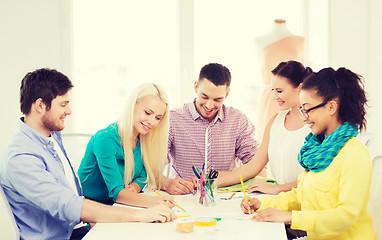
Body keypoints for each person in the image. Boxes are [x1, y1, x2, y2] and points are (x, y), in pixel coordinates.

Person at [0, 69, 175, 240]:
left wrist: (89, 218)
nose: (69, 111)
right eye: (63, 104)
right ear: (40, 105)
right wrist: (140, 215)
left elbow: (70, 194)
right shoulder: (21, 156)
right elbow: (67, 205)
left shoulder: (50, 137)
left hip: (77, 228)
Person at [240, 67, 375, 240]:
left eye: (307, 109)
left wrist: (290, 217)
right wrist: (262, 203)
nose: (304, 118)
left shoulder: (354, 153)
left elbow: (345, 216)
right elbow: (301, 195)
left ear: (331, 107)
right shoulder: (317, 150)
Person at [217, 61, 312, 195]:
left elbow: (317, 180)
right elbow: (253, 166)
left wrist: (276, 189)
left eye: (279, 91)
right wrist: (213, 182)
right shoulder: (275, 122)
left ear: (300, 88)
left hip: (305, 199)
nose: (274, 97)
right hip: (280, 200)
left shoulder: (315, 125)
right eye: (272, 90)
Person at [163, 63, 259, 195]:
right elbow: (153, 166)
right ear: (196, 87)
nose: (209, 105)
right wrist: (166, 183)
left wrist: (222, 179)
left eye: (217, 99)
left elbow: (255, 163)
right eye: (205, 97)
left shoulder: (238, 121)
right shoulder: (172, 119)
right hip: (184, 198)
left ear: (227, 94)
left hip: (225, 199)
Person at [78, 83, 175, 208]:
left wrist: (134, 187)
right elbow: (117, 193)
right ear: (133, 105)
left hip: (119, 206)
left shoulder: (144, 138)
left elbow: (145, 175)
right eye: (147, 113)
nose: (151, 122)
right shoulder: (105, 139)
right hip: (90, 207)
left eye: (157, 118)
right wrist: (155, 202)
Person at [255, 19, 305, 141]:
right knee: (268, 139)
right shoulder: (259, 40)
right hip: (268, 99)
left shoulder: (300, 41)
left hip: (295, 96)